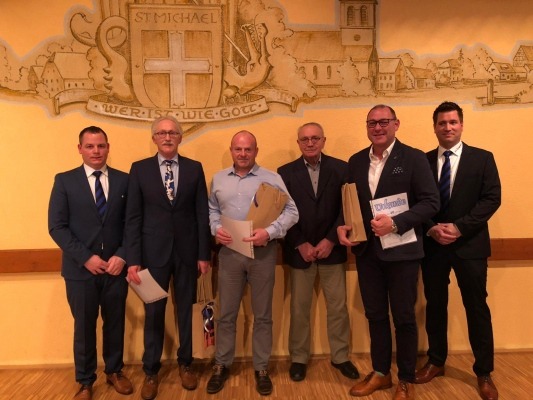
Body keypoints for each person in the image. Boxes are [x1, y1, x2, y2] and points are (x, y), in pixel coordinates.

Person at [337, 105, 439, 400]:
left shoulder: (414, 158)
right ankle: (381, 373)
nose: (378, 127)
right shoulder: (356, 161)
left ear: (396, 124)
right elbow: (349, 201)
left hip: (403, 252)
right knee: (375, 315)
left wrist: (395, 223)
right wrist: (342, 226)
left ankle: (405, 378)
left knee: (404, 318)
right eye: (372, 123)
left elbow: (431, 202)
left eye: (384, 122)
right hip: (368, 253)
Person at [415, 102, 501, 400]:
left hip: (470, 246)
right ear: (435, 127)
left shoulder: (483, 158)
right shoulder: (422, 161)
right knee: (435, 305)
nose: (448, 127)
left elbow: (491, 199)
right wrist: (431, 228)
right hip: (433, 246)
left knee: (476, 308)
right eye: (442, 123)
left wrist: (459, 227)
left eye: (453, 122)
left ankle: (484, 372)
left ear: (461, 125)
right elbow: (415, 202)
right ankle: (436, 361)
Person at [206, 130, 299, 396]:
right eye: (238, 149)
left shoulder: (272, 178)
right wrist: (216, 228)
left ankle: (261, 368)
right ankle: (221, 365)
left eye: (248, 149)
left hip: (263, 254)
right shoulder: (218, 179)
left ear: (256, 151)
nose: (243, 154)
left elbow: (292, 211)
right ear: (232, 150)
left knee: (263, 315)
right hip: (230, 254)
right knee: (226, 314)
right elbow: (212, 210)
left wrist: (269, 232)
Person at [125, 116, 211, 400]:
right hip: (152, 255)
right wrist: (133, 258)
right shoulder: (139, 169)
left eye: (173, 132)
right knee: (153, 313)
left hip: (187, 254)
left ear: (180, 137)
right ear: (154, 138)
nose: (167, 137)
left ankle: (186, 364)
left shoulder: (195, 168)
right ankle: (151, 371)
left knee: (186, 310)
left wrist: (203, 254)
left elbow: (201, 214)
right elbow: (133, 217)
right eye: (161, 133)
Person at [48, 126, 132, 400]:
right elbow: (57, 227)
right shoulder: (64, 181)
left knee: (115, 323)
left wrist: (122, 255)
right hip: (80, 271)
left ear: (108, 147)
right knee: (84, 328)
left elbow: (132, 224)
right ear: (80, 149)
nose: (96, 151)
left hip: (115, 269)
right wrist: (86, 257)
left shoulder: (124, 180)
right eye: (90, 146)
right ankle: (85, 381)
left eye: (101, 146)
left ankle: (115, 371)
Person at [277, 122, 359, 382]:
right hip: (299, 252)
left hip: (332, 250)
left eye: (315, 138)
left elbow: (347, 208)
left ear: (324, 140)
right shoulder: (284, 173)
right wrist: (299, 242)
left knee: (338, 308)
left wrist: (331, 240)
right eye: (304, 139)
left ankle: (341, 357)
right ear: (298, 143)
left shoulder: (342, 169)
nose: (310, 143)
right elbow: (280, 212)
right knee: (299, 309)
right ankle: (299, 358)